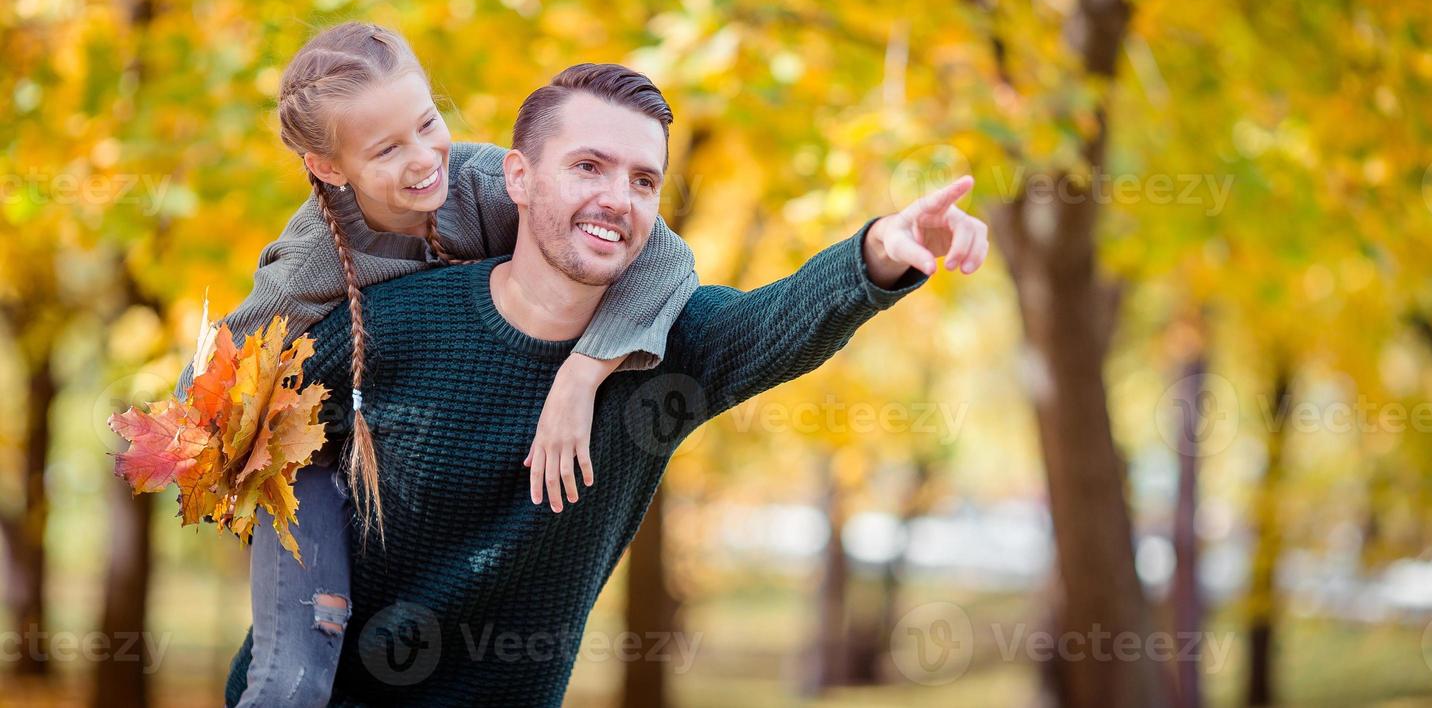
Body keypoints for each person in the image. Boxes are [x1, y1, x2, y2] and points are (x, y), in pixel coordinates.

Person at [221, 61, 989, 706]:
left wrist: (880, 252)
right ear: (516, 177)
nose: (617, 199)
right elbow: (240, 422)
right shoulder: (387, 323)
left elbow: (782, 320)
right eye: (588, 166)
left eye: (644, 180)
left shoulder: (669, 353)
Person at [176, 23, 698, 707]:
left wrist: (581, 373)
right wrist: (233, 467)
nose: (425, 158)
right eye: (389, 148)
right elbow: (207, 393)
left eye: (427, 123)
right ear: (328, 167)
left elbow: (665, 256)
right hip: (312, 466)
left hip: (406, 456)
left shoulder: (482, 184)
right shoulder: (309, 264)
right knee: (295, 673)